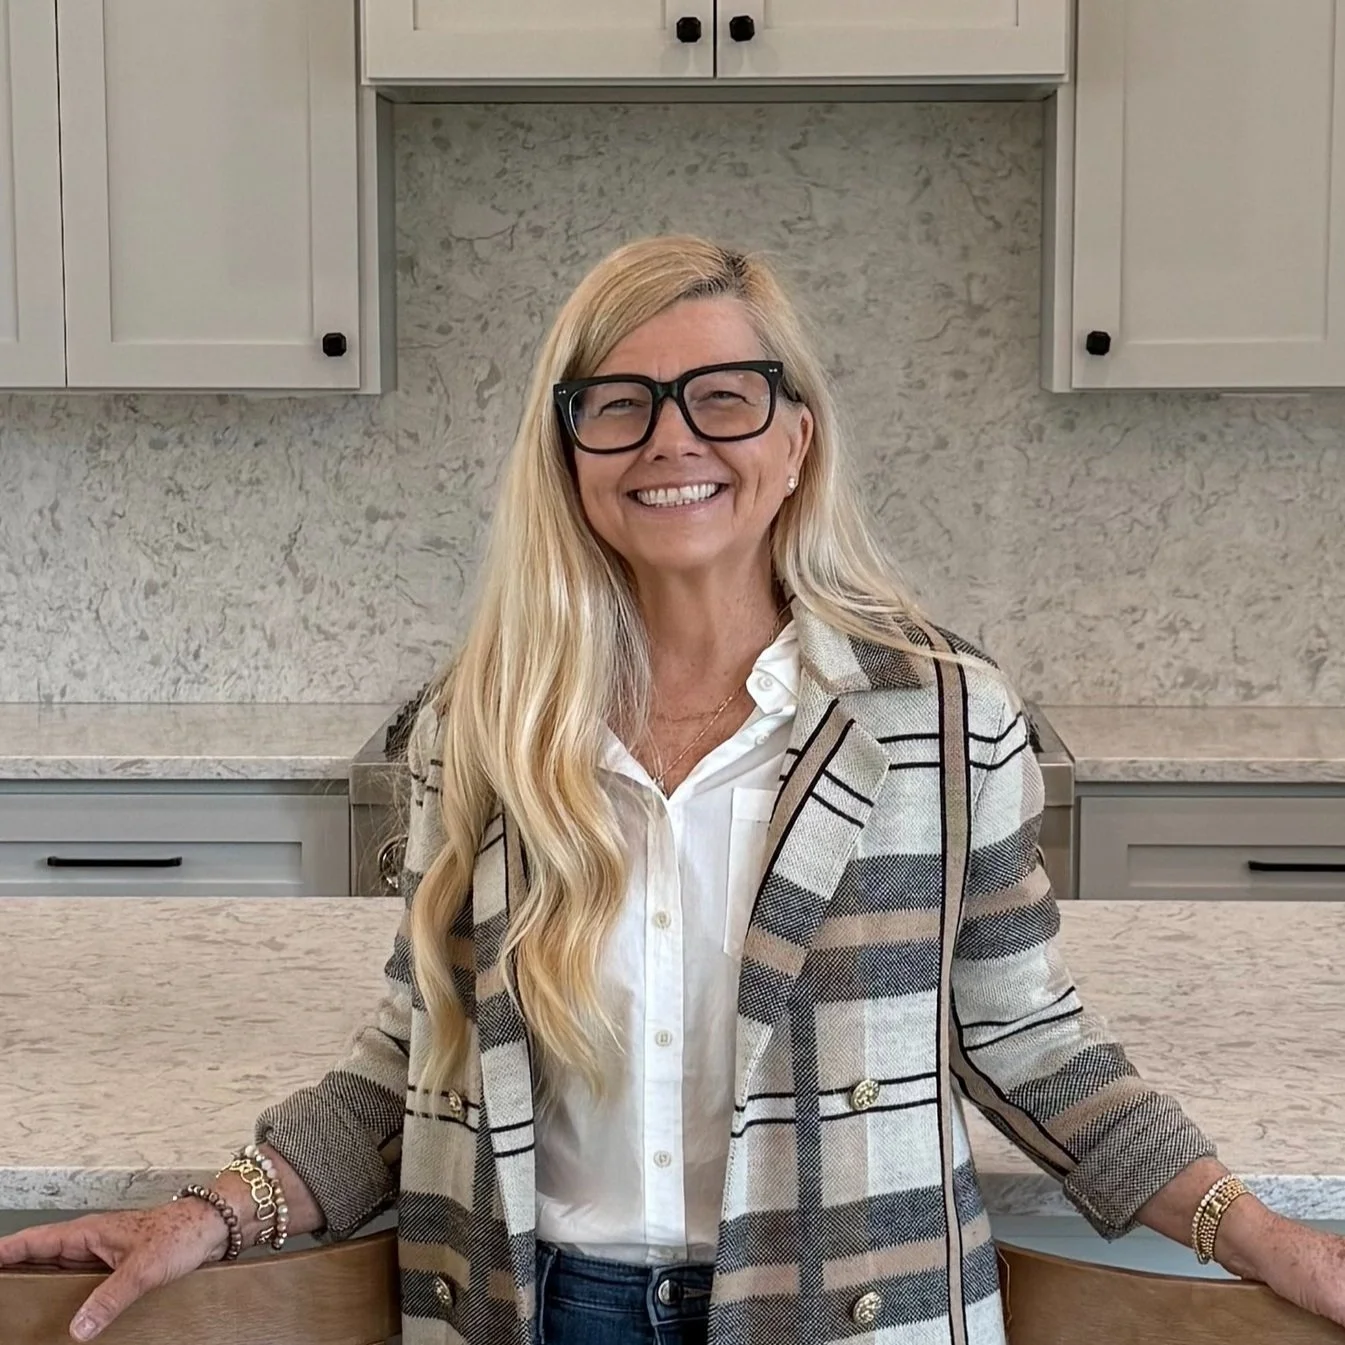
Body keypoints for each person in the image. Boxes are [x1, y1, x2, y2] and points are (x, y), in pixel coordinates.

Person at [3, 236, 1344, 1345]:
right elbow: (418, 1063)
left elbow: (1030, 1045)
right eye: (620, 403)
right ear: (569, 451)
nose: (671, 439)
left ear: (798, 436)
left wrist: (1266, 1236)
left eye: (724, 395)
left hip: (852, 1315)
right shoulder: (485, 724)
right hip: (536, 1311)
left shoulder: (941, 716)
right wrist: (218, 1209)